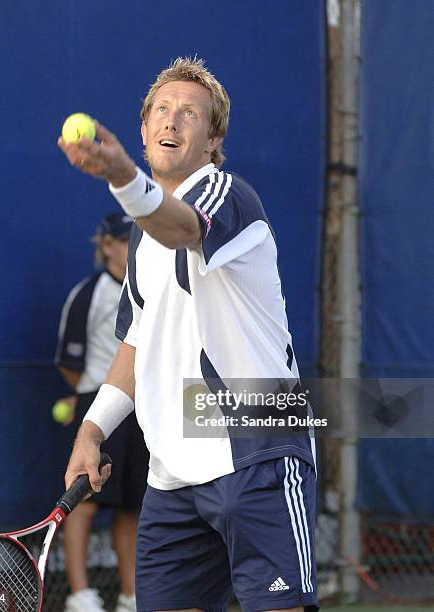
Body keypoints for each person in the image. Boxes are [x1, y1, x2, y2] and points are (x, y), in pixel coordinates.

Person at [58, 57, 319, 612]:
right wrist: (91, 431)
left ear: (212, 139)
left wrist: (122, 175)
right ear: (144, 129)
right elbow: (135, 343)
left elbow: (182, 228)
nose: (171, 121)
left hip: (258, 450)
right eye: (161, 110)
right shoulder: (140, 241)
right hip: (173, 474)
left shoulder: (227, 194)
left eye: (189, 114)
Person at [54, 213, 148, 612]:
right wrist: (94, 396)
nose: (132, 248)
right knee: (85, 501)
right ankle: (81, 595)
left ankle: (130, 594)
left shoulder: (154, 289)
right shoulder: (88, 294)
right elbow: (68, 362)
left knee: (133, 505)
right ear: (107, 245)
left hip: (145, 408)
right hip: (98, 407)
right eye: (125, 240)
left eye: (137, 240)